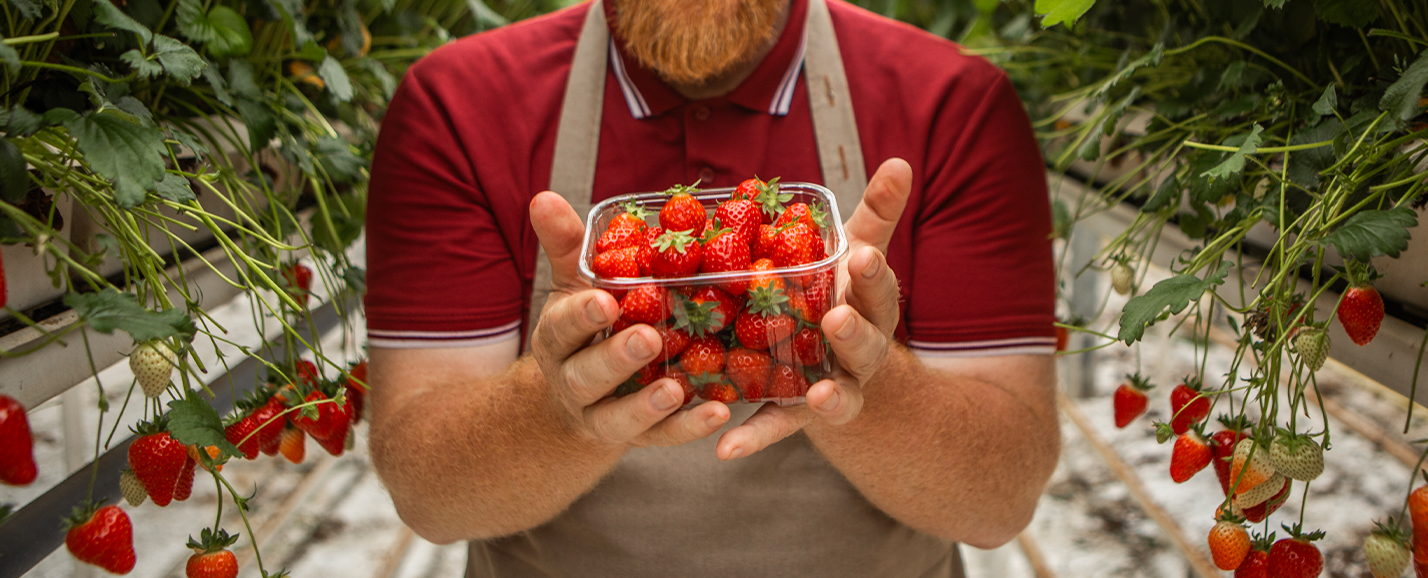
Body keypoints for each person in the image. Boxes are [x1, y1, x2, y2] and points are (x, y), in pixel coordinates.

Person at [362, 0, 1061, 575]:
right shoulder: (457, 104)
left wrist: (861, 375)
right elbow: (432, 499)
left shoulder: (953, 103)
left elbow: (997, 503)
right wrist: (558, 406)